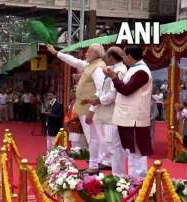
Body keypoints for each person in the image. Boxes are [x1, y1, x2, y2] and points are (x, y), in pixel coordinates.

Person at [47, 43, 106, 174]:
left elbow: (101, 89)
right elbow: (75, 61)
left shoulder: (98, 68)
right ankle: (95, 163)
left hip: (91, 108)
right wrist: (57, 53)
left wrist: (92, 110)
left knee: (95, 137)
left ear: (96, 54)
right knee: (93, 138)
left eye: (89, 52)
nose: (86, 54)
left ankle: (99, 162)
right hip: (85, 108)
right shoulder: (91, 65)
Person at [103, 45, 153, 178]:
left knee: (137, 151)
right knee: (130, 149)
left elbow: (126, 90)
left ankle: (139, 180)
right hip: (127, 116)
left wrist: (114, 77)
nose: (123, 58)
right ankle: (129, 178)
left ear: (130, 57)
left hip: (134, 118)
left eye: (124, 55)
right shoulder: (135, 69)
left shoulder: (141, 71)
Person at [82, 46, 127, 175]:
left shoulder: (119, 71)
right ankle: (117, 175)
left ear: (112, 57)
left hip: (112, 114)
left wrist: (99, 100)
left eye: (106, 56)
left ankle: (118, 176)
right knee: (112, 146)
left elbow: (112, 95)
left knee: (114, 147)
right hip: (108, 114)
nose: (104, 58)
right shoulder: (113, 69)